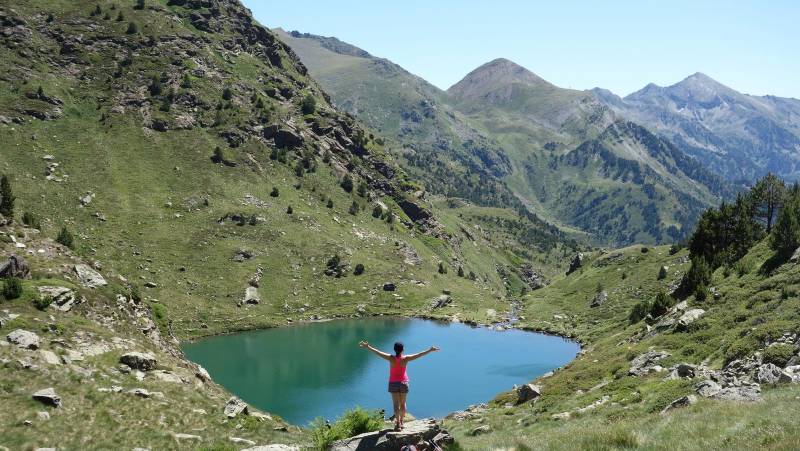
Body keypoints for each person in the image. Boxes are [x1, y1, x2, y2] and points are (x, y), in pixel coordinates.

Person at [359, 340, 440, 431]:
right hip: (404, 383)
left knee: (396, 404)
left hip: (393, 383)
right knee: (403, 404)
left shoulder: (390, 358)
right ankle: (402, 422)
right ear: (403, 350)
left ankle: (397, 424)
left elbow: (378, 353)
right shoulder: (406, 358)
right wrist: (430, 350)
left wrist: (368, 347)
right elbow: (419, 354)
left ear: (394, 349)